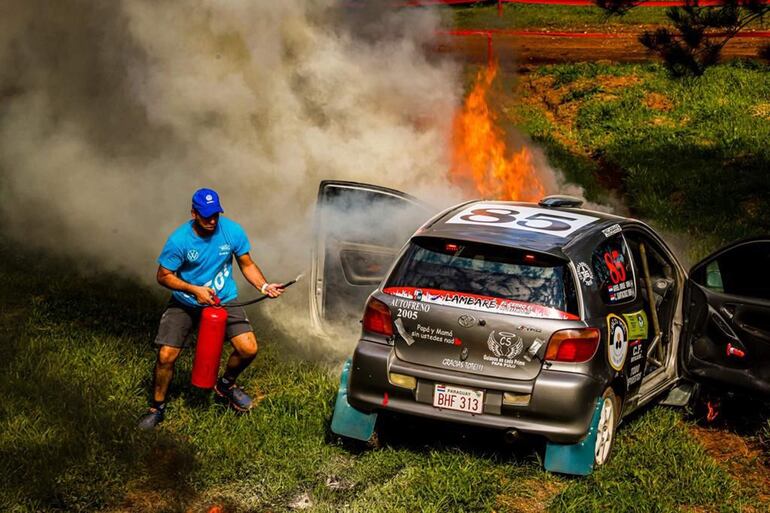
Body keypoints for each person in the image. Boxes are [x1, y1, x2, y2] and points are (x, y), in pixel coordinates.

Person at [138, 188, 284, 430]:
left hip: (223, 299)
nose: (212, 220)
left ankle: (226, 385)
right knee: (166, 356)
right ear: (194, 213)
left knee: (248, 349)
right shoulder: (179, 240)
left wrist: (264, 285)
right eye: (206, 216)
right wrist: (193, 289)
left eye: (215, 214)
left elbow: (247, 264)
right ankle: (157, 408)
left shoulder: (232, 231)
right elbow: (163, 276)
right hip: (186, 302)